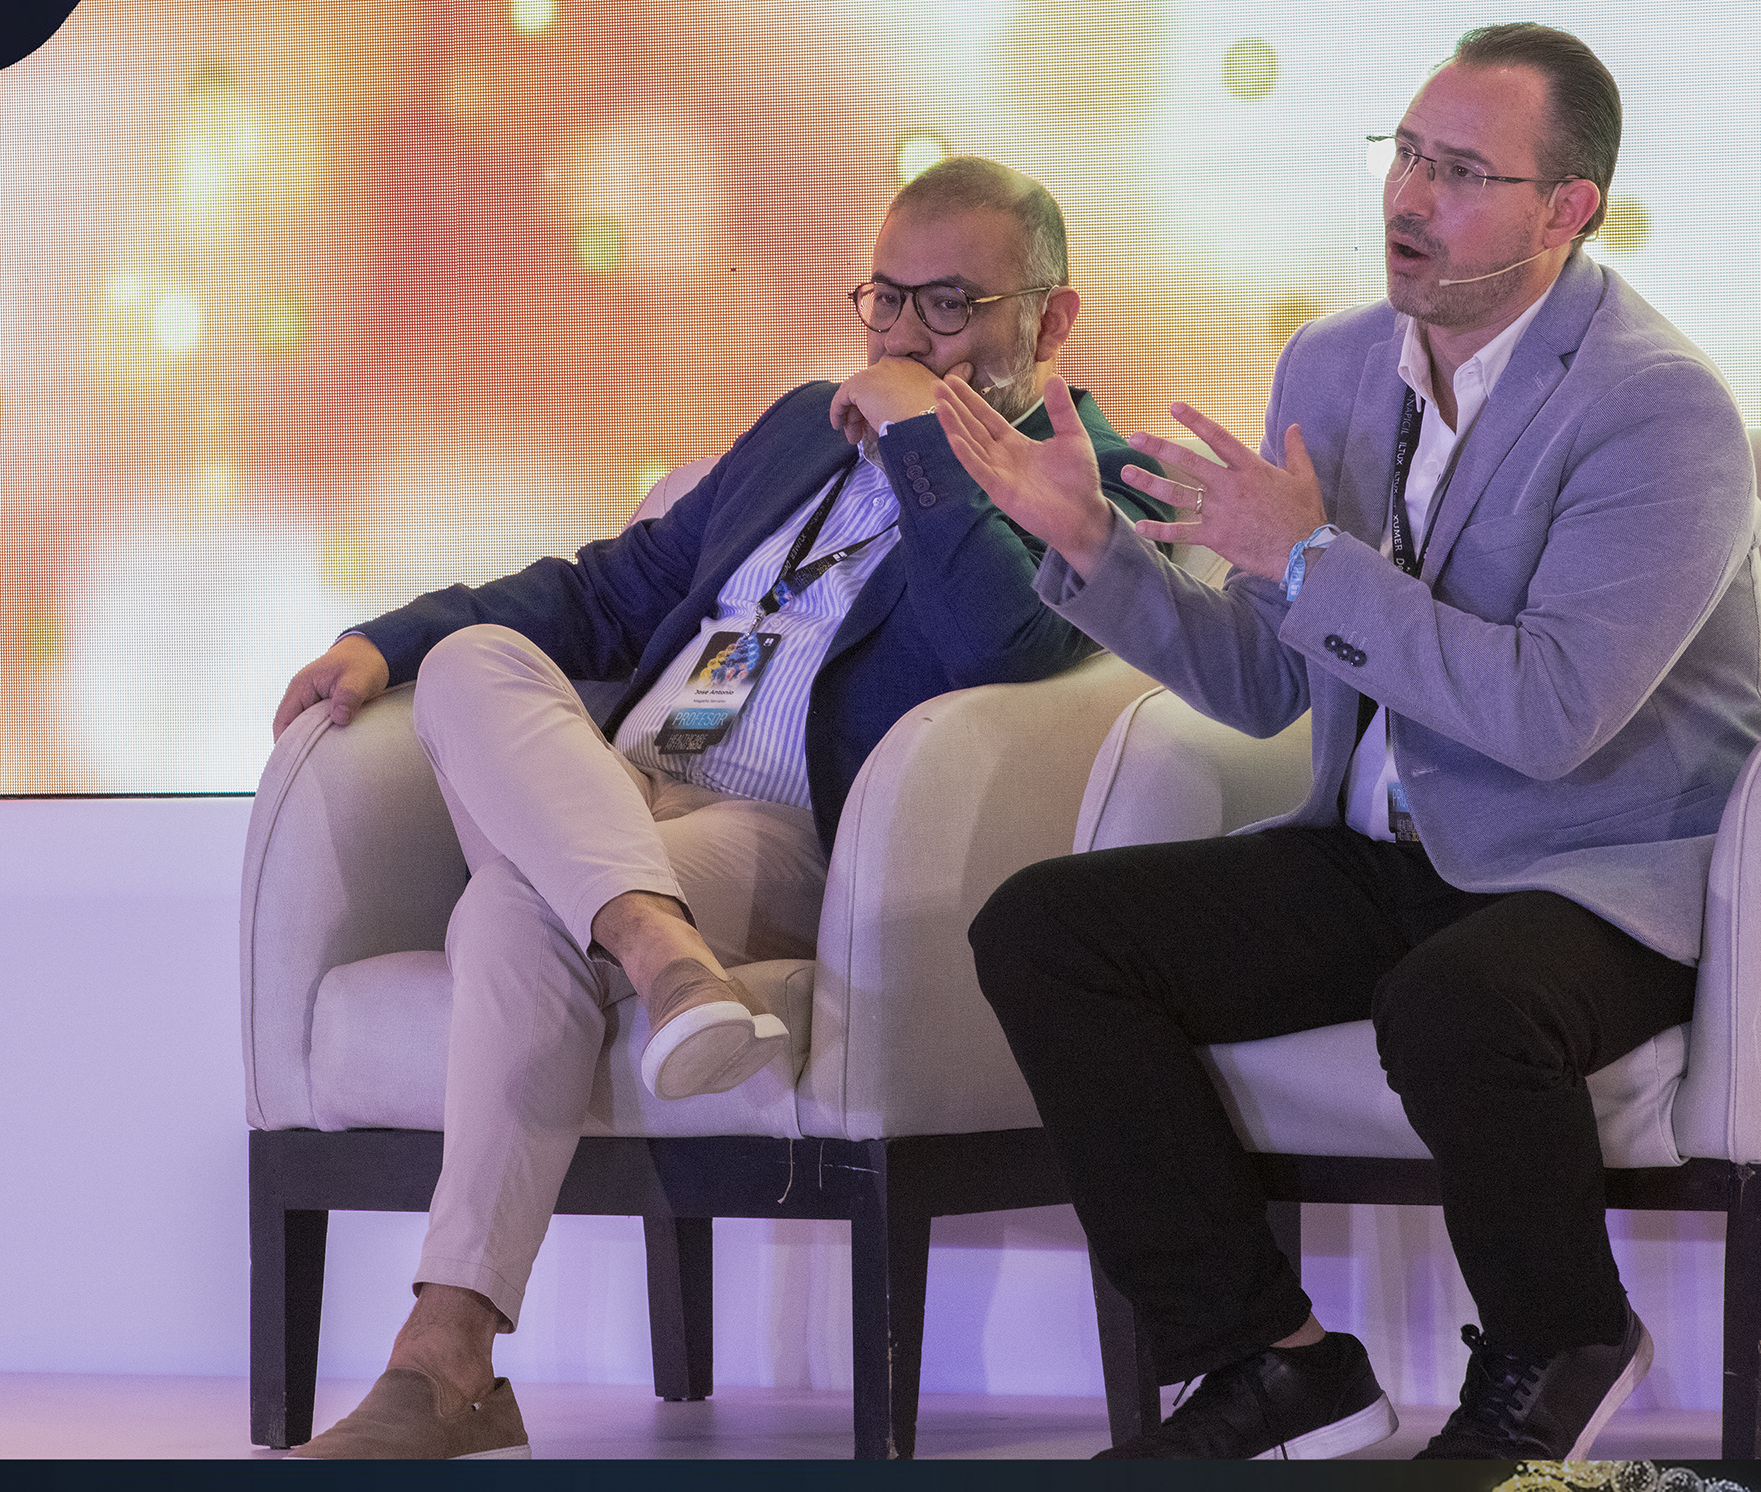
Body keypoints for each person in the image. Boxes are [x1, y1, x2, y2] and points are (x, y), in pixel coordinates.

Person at [935, 24, 1761, 1461]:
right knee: (1050, 932)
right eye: (1406, 154)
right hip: (1385, 849)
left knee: (1458, 1000)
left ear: (1567, 210)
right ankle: (1270, 1364)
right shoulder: (1330, 367)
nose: (1410, 197)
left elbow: (1550, 715)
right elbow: (1271, 681)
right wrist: (1093, 545)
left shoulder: (1658, 408)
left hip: (1599, 869)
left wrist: (1311, 557)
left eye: (1463, 173)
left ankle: (1562, 1335)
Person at [268, 156, 1167, 1460]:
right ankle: (655, 947)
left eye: (950, 307)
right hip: (617, 784)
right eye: (885, 300)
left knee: (512, 914)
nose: (905, 337)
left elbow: (1000, 646)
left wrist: (924, 440)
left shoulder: (1094, 477)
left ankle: (442, 1360)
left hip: (786, 830)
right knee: (471, 666)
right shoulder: (803, 425)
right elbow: (609, 590)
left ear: (1053, 317)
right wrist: (386, 640)